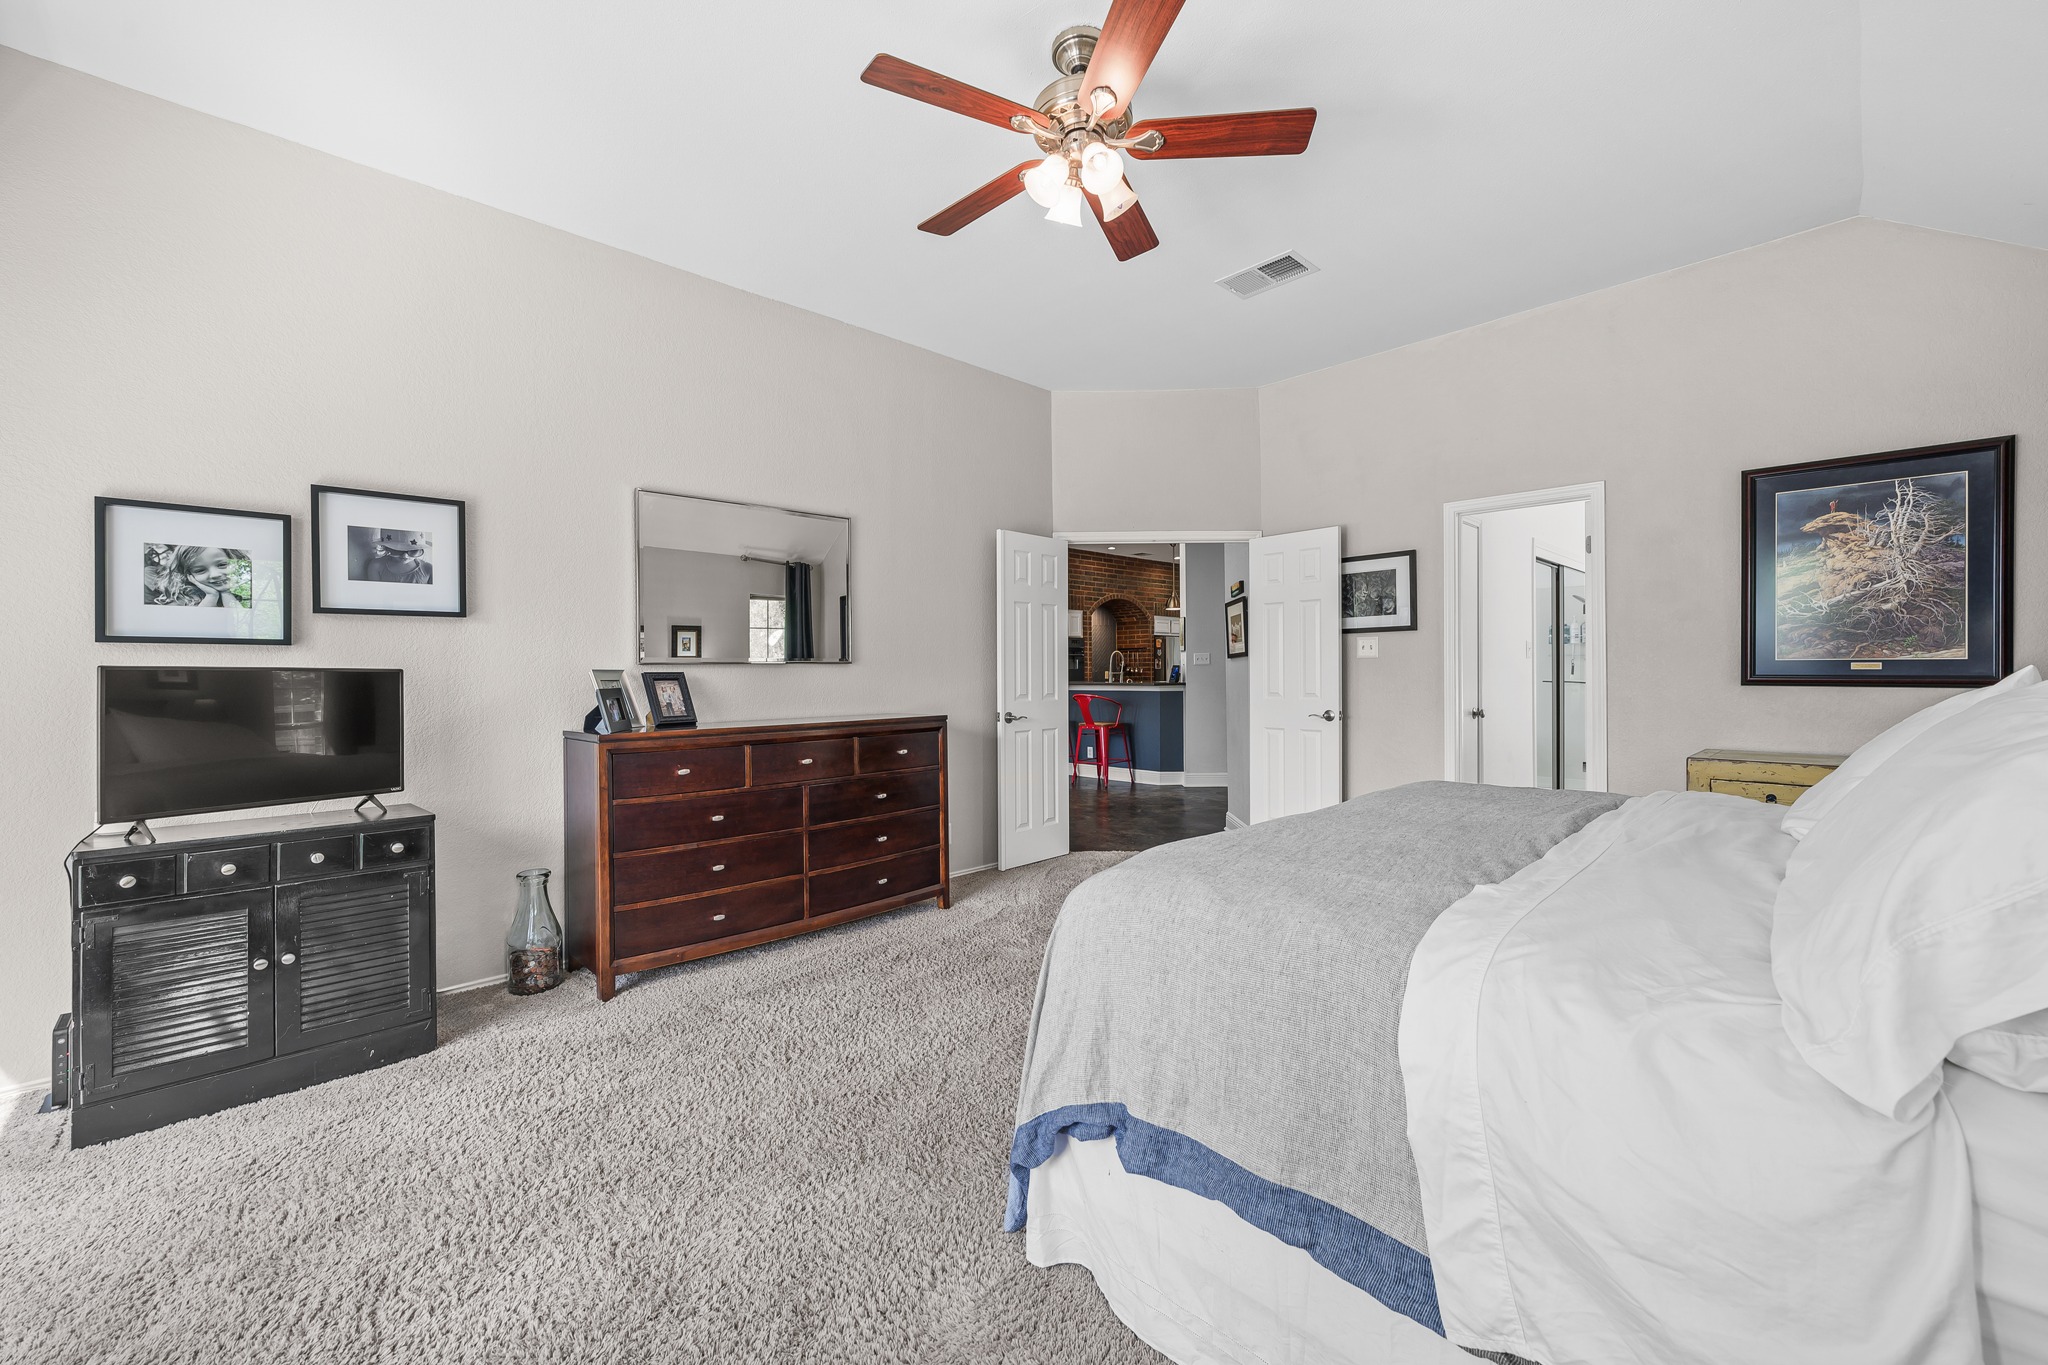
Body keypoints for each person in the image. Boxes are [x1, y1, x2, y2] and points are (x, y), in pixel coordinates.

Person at [152, 545, 248, 607]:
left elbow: (240, 626)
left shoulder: (250, 591)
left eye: (222, 565)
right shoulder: (182, 602)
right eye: (200, 570)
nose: (215, 575)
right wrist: (211, 596)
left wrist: (226, 593)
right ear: (188, 576)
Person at [364, 528, 433, 584]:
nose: (405, 556)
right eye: (398, 550)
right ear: (386, 547)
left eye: (413, 551)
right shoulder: (376, 566)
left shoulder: (428, 569)